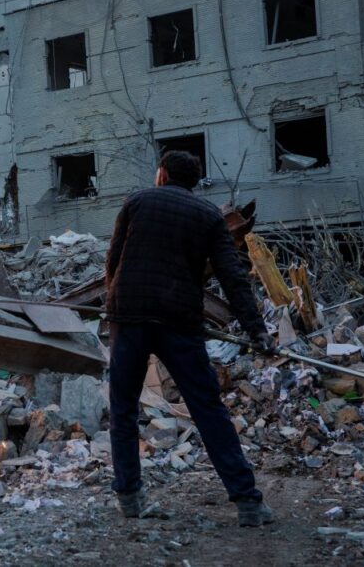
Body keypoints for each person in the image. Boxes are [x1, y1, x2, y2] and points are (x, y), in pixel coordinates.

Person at [105, 150, 275, 527]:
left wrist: (115, 304)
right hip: (179, 320)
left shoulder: (136, 202)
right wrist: (256, 329)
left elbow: (113, 261)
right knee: (207, 408)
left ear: (162, 174)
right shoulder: (208, 217)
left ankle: (129, 498)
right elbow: (232, 276)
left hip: (129, 315)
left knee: (124, 409)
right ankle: (247, 502)